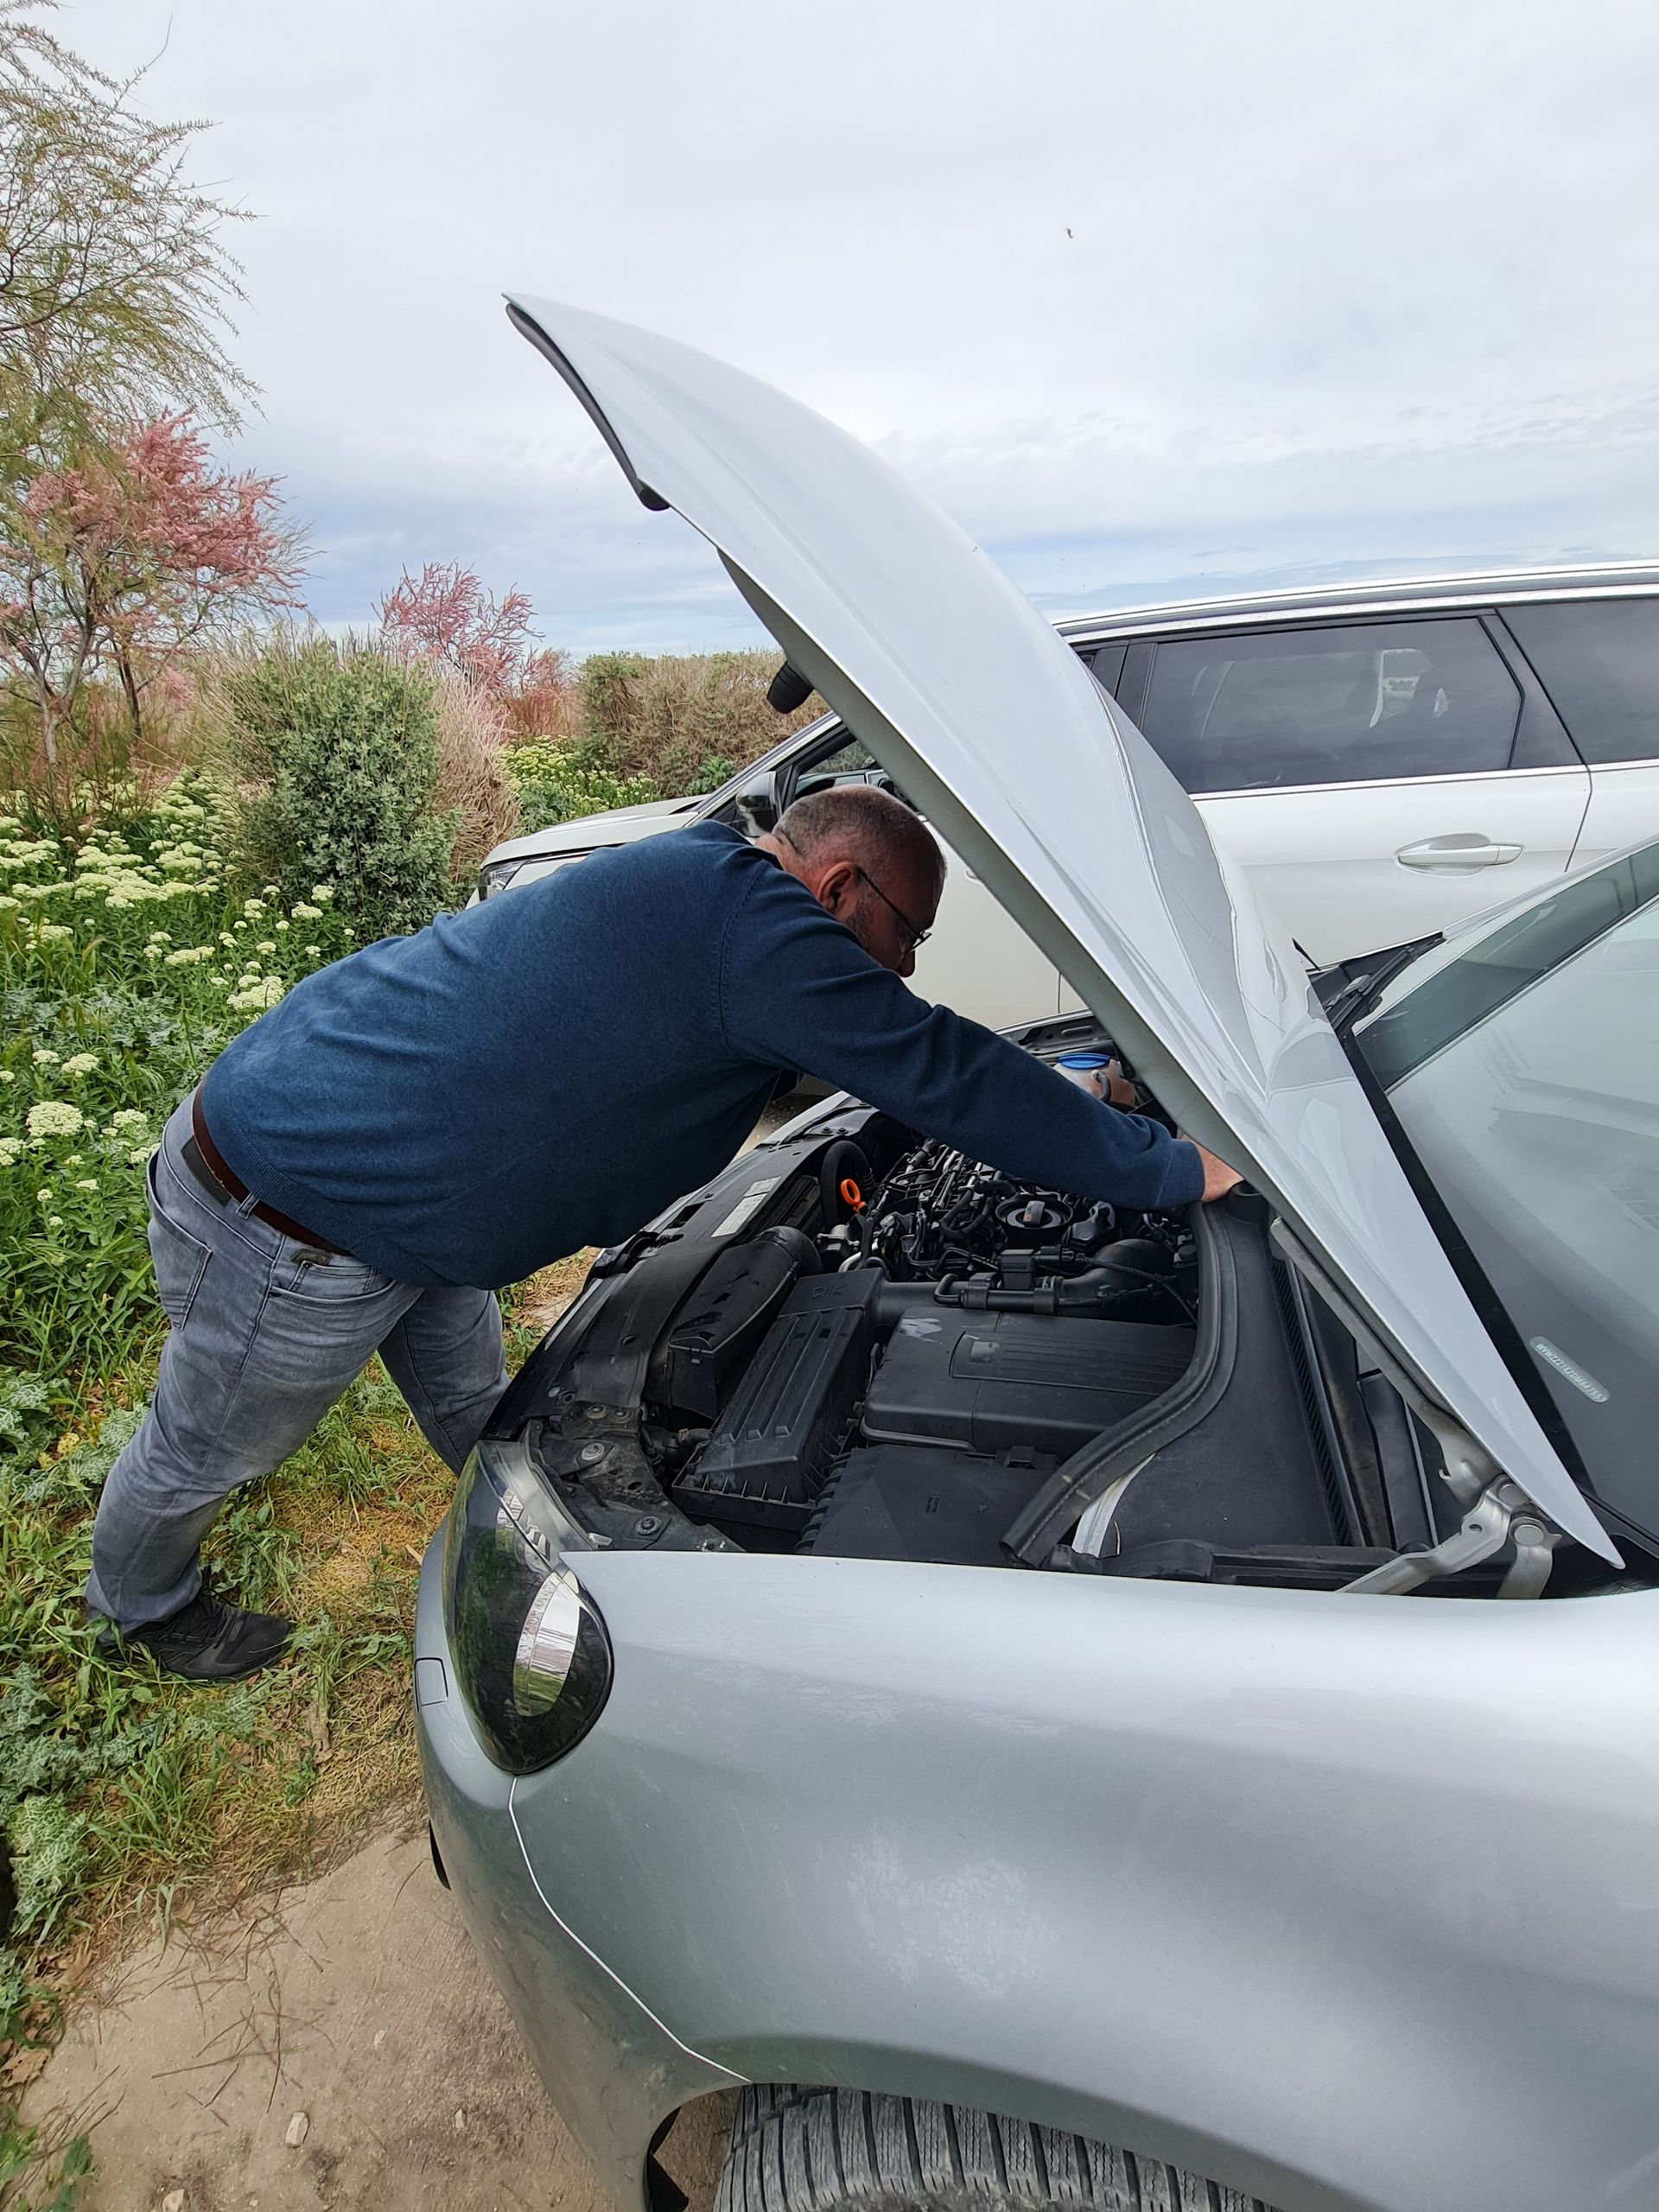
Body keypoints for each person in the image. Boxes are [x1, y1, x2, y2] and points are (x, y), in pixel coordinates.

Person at [86, 785, 1239, 1681]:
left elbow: (917, 1058)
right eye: (910, 932)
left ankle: (527, 1559)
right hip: (299, 1212)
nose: (905, 962)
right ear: (840, 887)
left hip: (397, 1194)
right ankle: (139, 1608)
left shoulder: (713, 881)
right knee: (209, 1444)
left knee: (475, 1407)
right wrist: (1169, 1169)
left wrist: (1092, 1100)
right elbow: (940, 1068)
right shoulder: (757, 931)